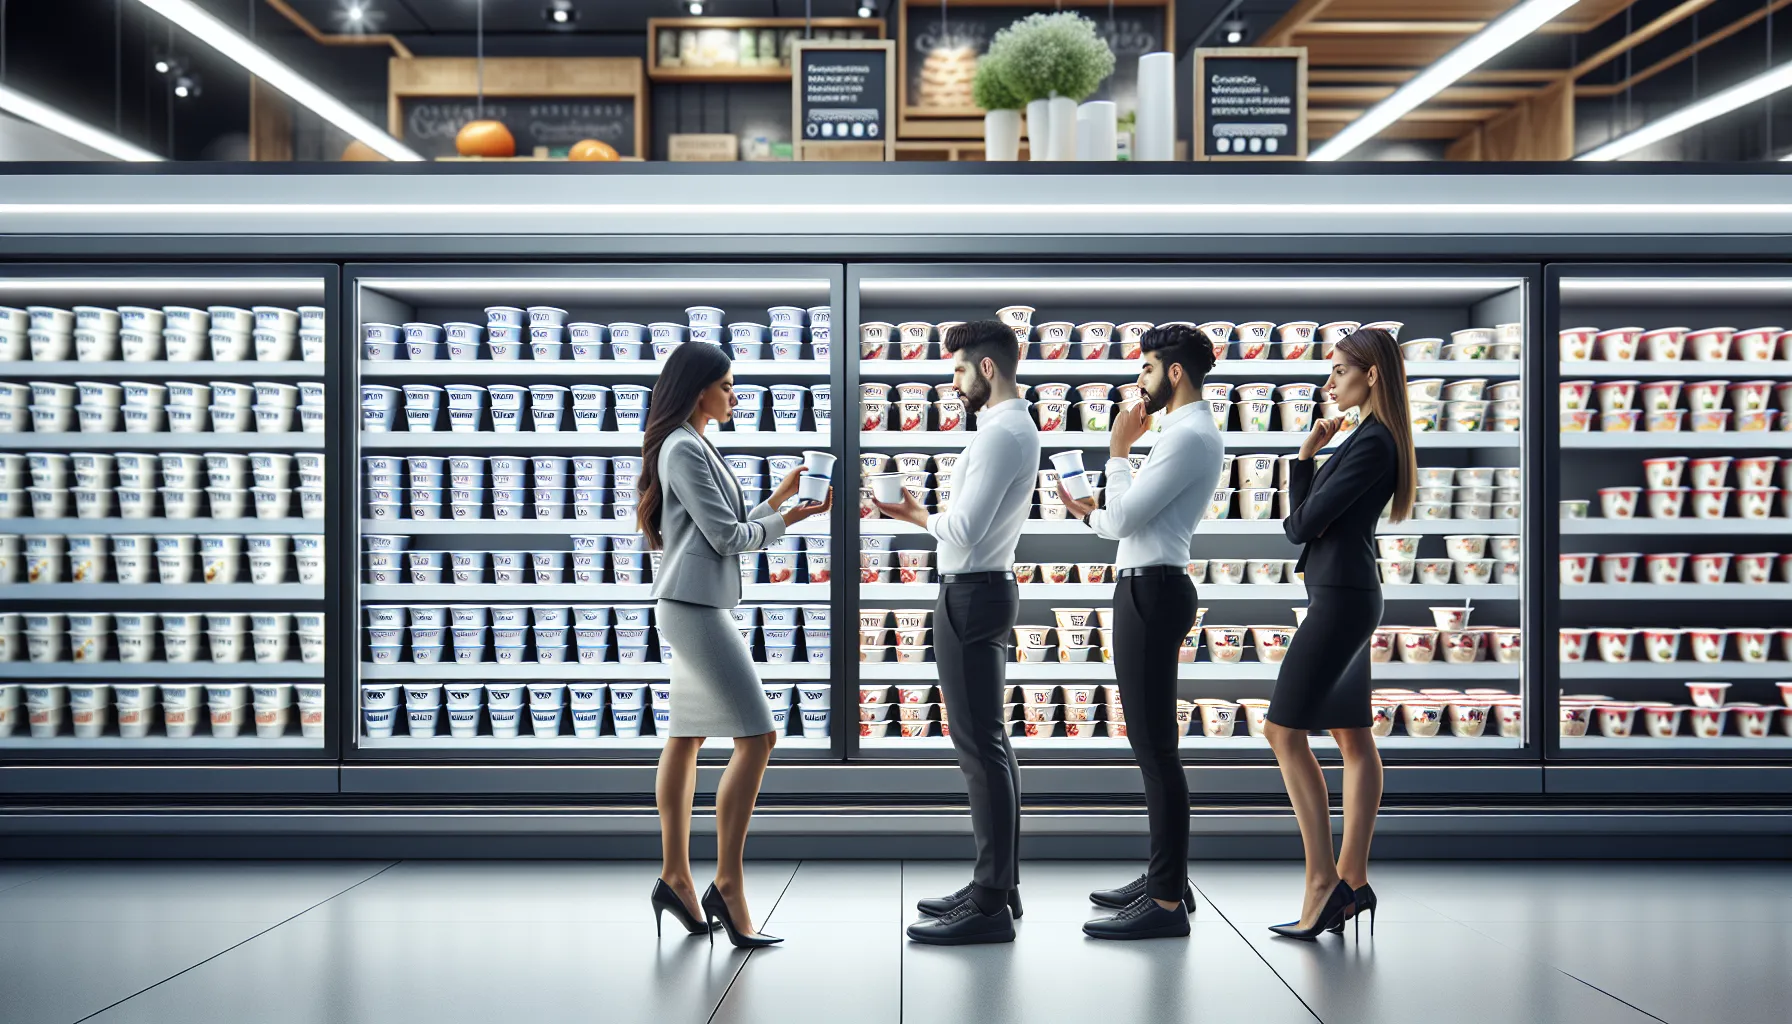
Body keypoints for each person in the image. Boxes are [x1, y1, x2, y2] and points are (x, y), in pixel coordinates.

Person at [637, 341, 832, 949]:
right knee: (758, 736)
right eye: (726, 385)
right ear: (699, 390)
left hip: (690, 603)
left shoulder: (690, 443)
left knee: (686, 738)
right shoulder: (684, 448)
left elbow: (724, 522)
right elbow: (727, 539)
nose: (734, 395)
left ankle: (675, 877)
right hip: (695, 608)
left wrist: (778, 498)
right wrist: (793, 519)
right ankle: (727, 882)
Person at [873, 320, 1040, 946]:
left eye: (958, 371)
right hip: (981, 592)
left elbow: (964, 530)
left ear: (987, 369)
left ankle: (991, 900)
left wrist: (912, 512)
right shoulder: (1007, 430)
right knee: (991, 743)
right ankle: (998, 884)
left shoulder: (1001, 435)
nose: (953, 383)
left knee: (977, 747)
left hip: (971, 594)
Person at [1058, 323, 1225, 940]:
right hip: (1148, 584)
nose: (1140, 380)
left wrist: (1118, 452)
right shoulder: (1183, 433)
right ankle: (1168, 879)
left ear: (1174, 373)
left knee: (1155, 749)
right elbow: (1125, 522)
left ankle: (1163, 903)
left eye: (1148, 368)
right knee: (1152, 745)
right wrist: (1093, 512)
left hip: (1151, 590)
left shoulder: (1186, 437)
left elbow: (1126, 517)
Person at [1261, 326, 1416, 941]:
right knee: (1353, 738)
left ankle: (1323, 882)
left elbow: (1299, 529)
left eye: (1338, 372)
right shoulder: (1366, 439)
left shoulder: (1373, 445)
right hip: (1345, 595)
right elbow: (1310, 524)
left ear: (1370, 374)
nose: (1330, 384)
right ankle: (1352, 880)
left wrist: (1301, 463)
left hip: (1341, 600)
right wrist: (1311, 456)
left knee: (1281, 731)